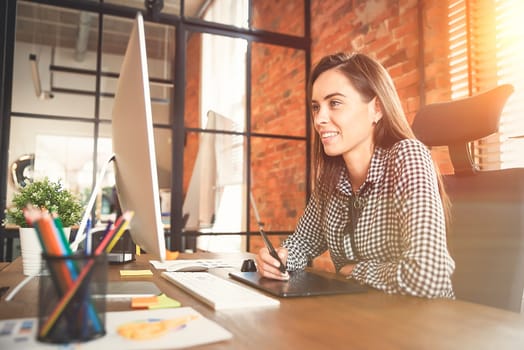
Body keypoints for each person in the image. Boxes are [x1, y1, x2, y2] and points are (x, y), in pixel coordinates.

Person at [255, 52, 455, 298]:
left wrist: (356, 271)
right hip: (362, 318)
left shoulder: (408, 157)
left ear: (377, 109)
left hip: (424, 324)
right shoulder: (332, 178)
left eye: (335, 103)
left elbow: (429, 276)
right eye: (316, 107)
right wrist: (279, 259)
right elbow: (302, 243)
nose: (319, 119)